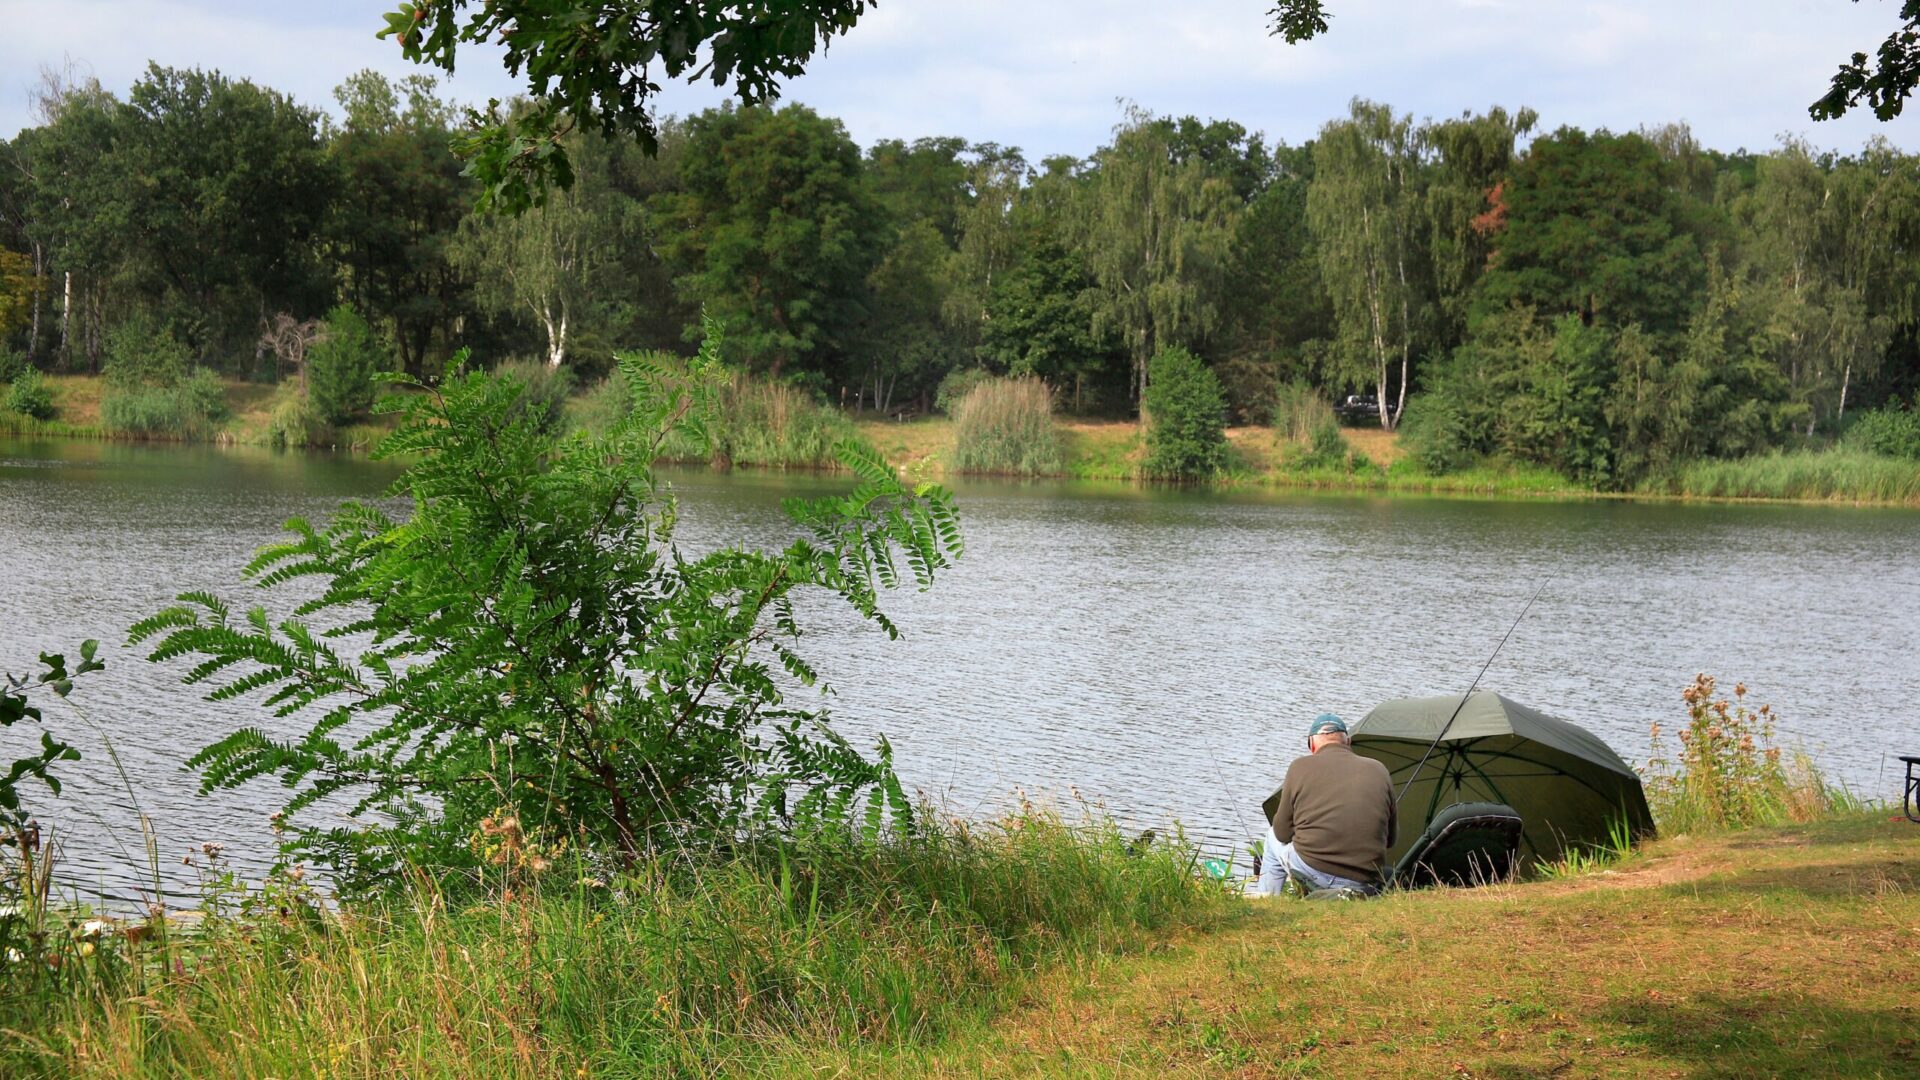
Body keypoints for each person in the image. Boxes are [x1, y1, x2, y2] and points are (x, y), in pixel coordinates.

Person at [1256, 713, 1396, 896]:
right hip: (1365, 880)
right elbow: (1390, 840)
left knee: (1271, 836)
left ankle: (1268, 901)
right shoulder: (1379, 769)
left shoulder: (1299, 766)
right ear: (1348, 742)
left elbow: (1281, 833)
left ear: (1311, 744)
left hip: (1315, 871)